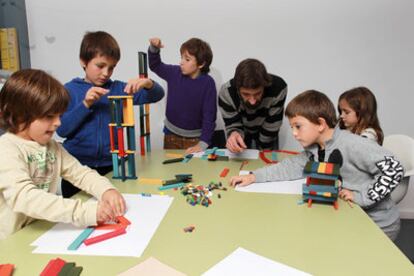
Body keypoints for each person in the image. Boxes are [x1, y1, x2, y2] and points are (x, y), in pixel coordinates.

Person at [230, 90, 403, 240]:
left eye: (298, 126)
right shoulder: (315, 149)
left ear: (320, 124)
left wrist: (361, 197)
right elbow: (289, 167)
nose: (294, 134)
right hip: (352, 215)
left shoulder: (352, 144)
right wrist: (253, 176)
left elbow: (394, 168)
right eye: (292, 128)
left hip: (377, 223)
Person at [0, 69, 125, 239]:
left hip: (41, 232)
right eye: (50, 116)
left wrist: (106, 190)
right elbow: (25, 198)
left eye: (59, 115)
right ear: (21, 115)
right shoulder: (6, 148)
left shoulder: (52, 147)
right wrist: (84, 211)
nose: (58, 122)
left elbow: (80, 173)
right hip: (12, 242)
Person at [57, 31, 164, 198]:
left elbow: (157, 95)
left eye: (112, 67)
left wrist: (148, 83)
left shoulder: (118, 89)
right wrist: (85, 104)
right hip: (76, 169)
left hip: (112, 167)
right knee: (77, 215)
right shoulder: (69, 90)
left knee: (112, 213)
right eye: (100, 66)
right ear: (83, 61)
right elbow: (62, 130)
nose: (106, 73)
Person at [148, 37, 217, 153]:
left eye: (187, 59)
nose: (181, 62)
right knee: (171, 170)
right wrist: (154, 48)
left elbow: (209, 115)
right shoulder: (174, 72)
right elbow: (155, 65)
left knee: (195, 170)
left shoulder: (208, 83)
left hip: (195, 140)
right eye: (181, 58)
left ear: (201, 64)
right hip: (171, 136)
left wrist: (203, 143)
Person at [218, 58, 287, 153]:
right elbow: (233, 124)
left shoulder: (278, 88)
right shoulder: (226, 93)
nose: (252, 101)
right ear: (237, 89)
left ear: (265, 86)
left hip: (268, 133)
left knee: (268, 162)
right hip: (242, 131)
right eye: (246, 94)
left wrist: (264, 155)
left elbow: (271, 126)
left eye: (258, 93)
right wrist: (234, 134)